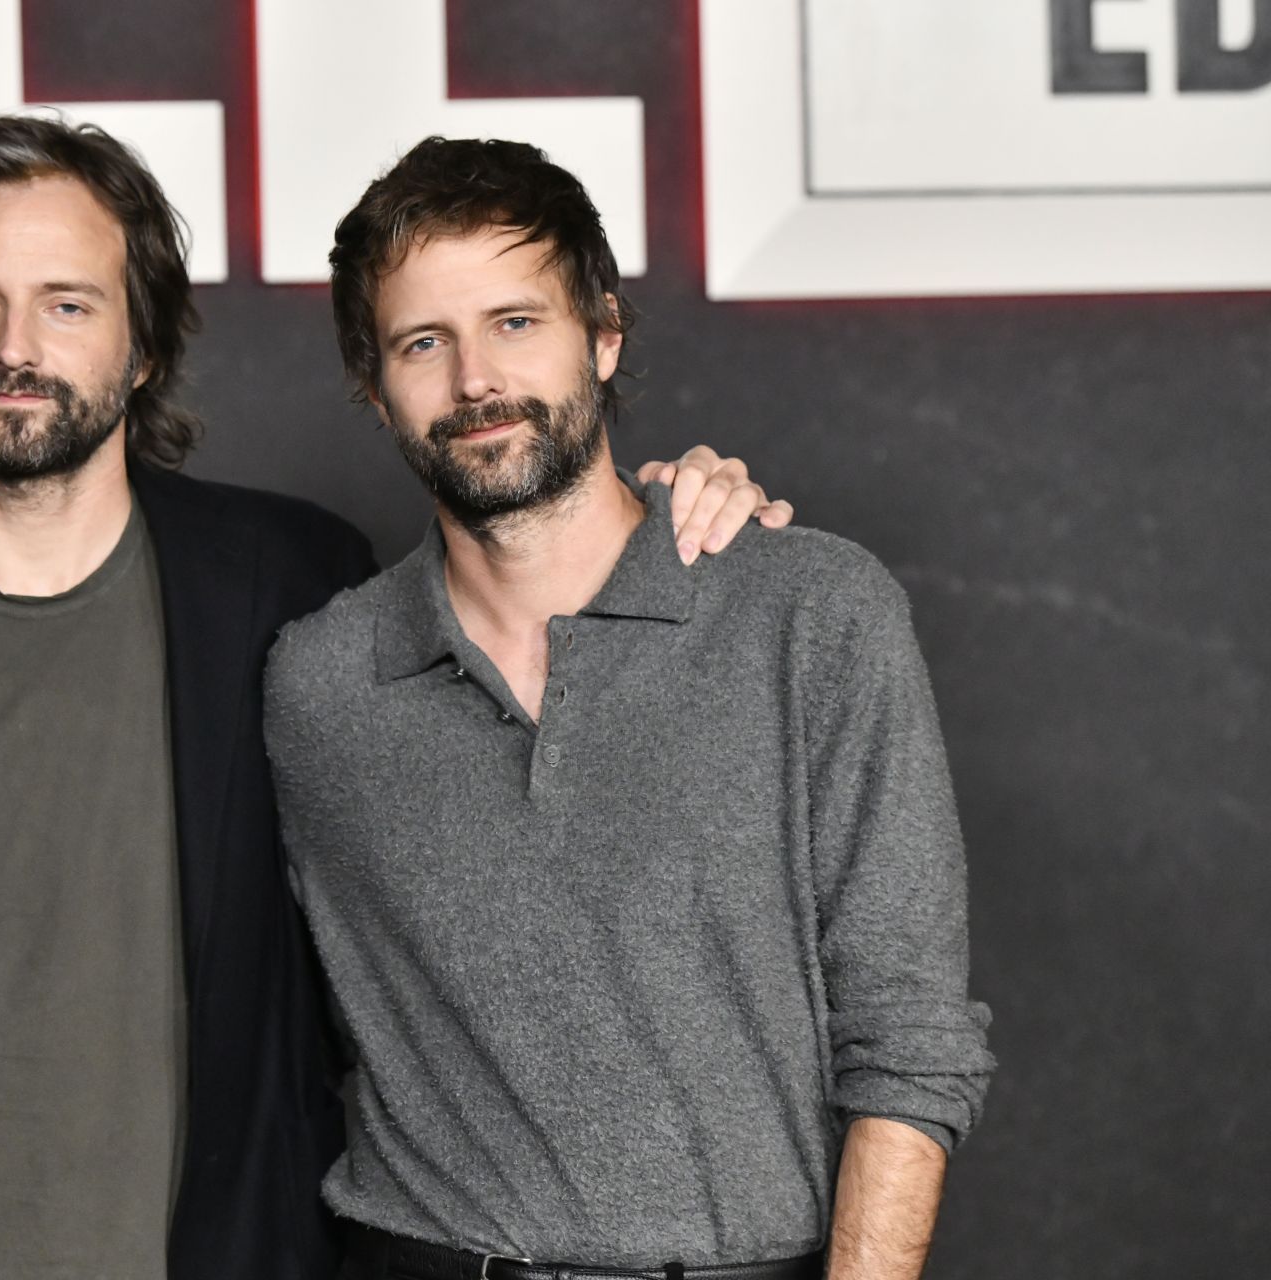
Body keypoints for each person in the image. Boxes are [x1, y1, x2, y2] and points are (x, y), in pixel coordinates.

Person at [0, 114, 788, 1280]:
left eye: (70, 302)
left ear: (141, 346)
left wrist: (682, 511)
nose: (17, 344)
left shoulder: (297, 583)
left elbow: (507, 767)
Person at [263, 137, 995, 1280]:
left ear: (603, 336)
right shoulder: (318, 683)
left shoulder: (812, 612)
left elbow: (910, 1042)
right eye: (423, 342)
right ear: (374, 385)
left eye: (517, 322)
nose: (475, 382)